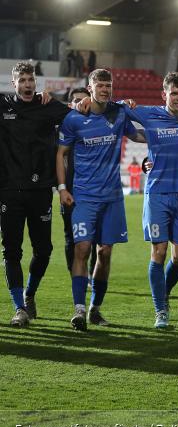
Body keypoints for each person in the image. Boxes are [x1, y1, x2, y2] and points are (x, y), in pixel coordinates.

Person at [57, 69, 145, 330]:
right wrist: (63, 187)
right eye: (100, 85)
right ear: (90, 87)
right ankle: (79, 309)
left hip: (112, 198)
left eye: (109, 85)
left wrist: (164, 137)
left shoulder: (118, 113)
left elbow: (138, 135)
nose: (105, 89)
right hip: (84, 196)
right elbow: (61, 153)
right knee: (81, 249)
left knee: (104, 253)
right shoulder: (74, 118)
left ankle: (95, 308)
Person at [120, 72, 178, 329]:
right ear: (164, 95)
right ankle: (161, 310)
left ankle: (163, 293)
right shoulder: (148, 114)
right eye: (174, 93)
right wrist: (125, 104)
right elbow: (119, 112)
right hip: (157, 194)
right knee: (158, 252)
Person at [1, 62, 71, 327]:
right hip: (9, 191)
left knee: (43, 250)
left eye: (32, 79)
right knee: (11, 252)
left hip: (41, 190)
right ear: (14, 83)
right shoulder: (3, 106)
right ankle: (19, 307)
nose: (28, 84)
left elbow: (78, 113)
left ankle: (30, 294)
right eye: (23, 80)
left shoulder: (48, 106)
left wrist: (88, 100)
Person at [61, 87, 97, 278]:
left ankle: (90, 274)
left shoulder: (97, 126)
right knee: (71, 238)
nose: (82, 103)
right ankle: (74, 273)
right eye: (76, 100)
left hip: (95, 191)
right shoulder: (64, 128)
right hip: (70, 191)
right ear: (69, 104)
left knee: (93, 239)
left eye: (85, 99)